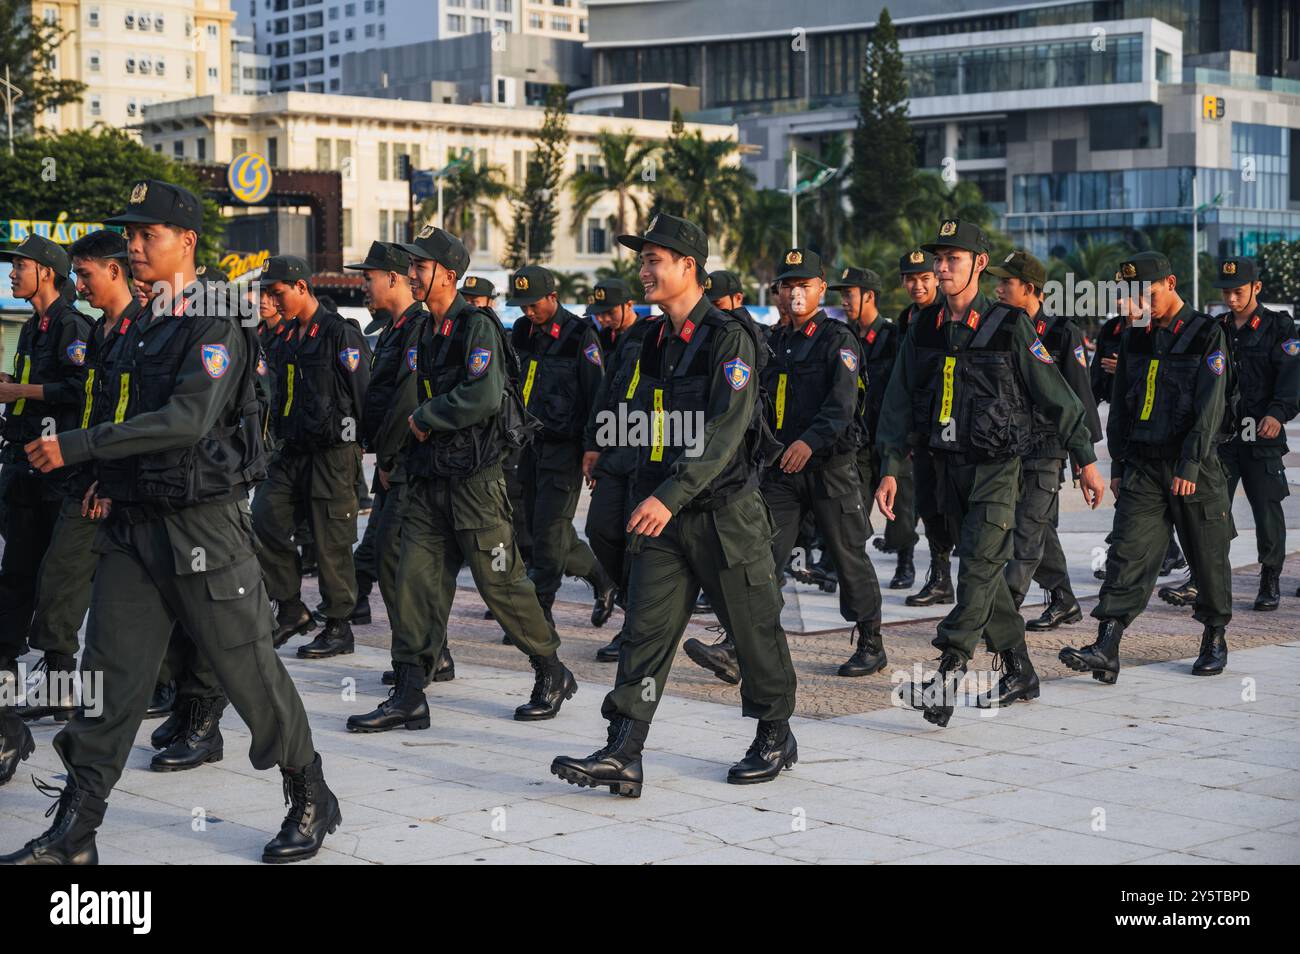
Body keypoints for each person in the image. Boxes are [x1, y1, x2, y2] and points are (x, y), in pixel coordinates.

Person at [2, 179, 339, 864]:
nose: (134, 245)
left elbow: (186, 419)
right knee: (109, 676)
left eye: (147, 234)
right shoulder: (138, 321)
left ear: (186, 240)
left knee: (248, 671)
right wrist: (101, 479)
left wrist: (79, 447)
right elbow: (121, 411)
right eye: (130, 234)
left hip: (202, 528)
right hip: (133, 525)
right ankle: (76, 831)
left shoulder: (215, 318)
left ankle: (309, 791)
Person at [551, 214, 797, 796]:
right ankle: (624, 749)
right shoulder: (651, 339)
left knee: (753, 630)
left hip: (724, 515)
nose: (644, 270)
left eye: (653, 260)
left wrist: (667, 495)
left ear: (689, 266)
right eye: (642, 260)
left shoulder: (730, 337)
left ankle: (774, 734)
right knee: (645, 632)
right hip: (664, 517)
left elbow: (724, 430)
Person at [347, 226, 577, 732]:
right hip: (428, 479)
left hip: (475, 483)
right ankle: (409, 692)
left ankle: (551, 670)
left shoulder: (476, 326)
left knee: (502, 585)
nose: (412, 274)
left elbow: (484, 395)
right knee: (413, 584)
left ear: (448, 275)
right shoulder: (424, 328)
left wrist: (426, 417)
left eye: (421, 267)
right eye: (411, 266)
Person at [876, 219, 1104, 727]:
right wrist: (890, 467)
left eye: (952, 259)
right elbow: (897, 400)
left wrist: (1085, 459)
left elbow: (1057, 394)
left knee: (977, 570)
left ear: (979, 263)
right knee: (989, 581)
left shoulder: (1009, 324)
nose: (941, 268)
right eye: (938, 259)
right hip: (944, 471)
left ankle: (946, 677)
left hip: (998, 470)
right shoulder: (924, 327)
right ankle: (1020, 671)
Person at [1059, 252, 1234, 683]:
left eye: (1147, 293)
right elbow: (1121, 404)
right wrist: (1118, 463)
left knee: (1207, 557)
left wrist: (1190, 464)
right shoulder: (1135, 334)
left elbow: (1210, 407)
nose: (1139, 303)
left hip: (1192, 468)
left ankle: (1214, 636)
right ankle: (1106, 646)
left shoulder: (1205, 333)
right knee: (1127, 553)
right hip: (1142, 466)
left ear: (1171, 283)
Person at [252, 255, 370, 657]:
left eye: (278, 293)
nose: (272, 301)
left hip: (332, 453)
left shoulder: (339, 333)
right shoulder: (284, 337)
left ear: (301, 287)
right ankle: (291, 606)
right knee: (262, 520)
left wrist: (357, 447)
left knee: (330, 542)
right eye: (267, 294)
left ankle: (338, 625)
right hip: (291, 452)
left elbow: (362, 394)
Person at [989, 250, 1101, 630]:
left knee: (1025, 532)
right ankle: (1064, 600)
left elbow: (1080, 396)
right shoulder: (1001, 328)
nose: (998, 289)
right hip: (1010, 445)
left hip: (1048, 448)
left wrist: (1085, 460)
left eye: (1006, 282)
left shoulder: (1061, 332)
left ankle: (1002, 615)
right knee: (1039, 528)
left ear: (1030, 288)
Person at [0, 236, 92, 694]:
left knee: (57, 576)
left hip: (57, 472)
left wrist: (19, 391)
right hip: (22, 462)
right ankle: (6, 661)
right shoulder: (32, 327)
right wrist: (12, 384)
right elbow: (35, 387)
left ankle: (59, 677)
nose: (12, 274)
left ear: (46, 273)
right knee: (16, 569)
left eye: (21, 266)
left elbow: (79, 389)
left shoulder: (72, 326)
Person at [508, 264, 616, 626]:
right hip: (529, 445)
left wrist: (594, 448)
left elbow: (597, 395)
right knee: (539, 528)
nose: (528, 311)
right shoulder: (521, 332)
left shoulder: (579, 335)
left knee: (549, 531)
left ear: (553, 297)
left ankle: (540, 611)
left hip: (565, 449)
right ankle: (602, 577)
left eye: (534, 304)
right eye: (523, 305)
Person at [1212, 256, 1299, 611]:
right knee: (1213, 508)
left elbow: (1291, 377)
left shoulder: (1279, 327)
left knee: (1266, 508)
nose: (1231, 299)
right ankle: (1210, 576)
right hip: (1224, 437)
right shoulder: (1216, 328)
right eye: (1226, 293)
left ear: (1256, 287)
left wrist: (1278, 414)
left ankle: (1270, 576)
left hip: (1261, 435)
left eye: (1238, 291)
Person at [830, 265, 916, 590]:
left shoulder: (893, 337)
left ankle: (905, 562)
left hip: (892, 436)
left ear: (869, 296)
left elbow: (905, 386)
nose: (845, 301)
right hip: (859, 438)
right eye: (843, 295)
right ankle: (845, 566)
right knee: (853, 503)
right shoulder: (844, 337)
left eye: (849, 294)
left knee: (901, 504)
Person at [581, 278, 645, 662]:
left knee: (637, 542)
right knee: (599, 528)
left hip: (645, 451)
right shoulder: (608, 342)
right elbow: (603, 396)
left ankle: (635, 627)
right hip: (614, 450)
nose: (604, 319)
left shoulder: (650, 335)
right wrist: (593, 445)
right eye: (599, 314)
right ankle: (623, 594)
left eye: (609, 312)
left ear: (629, 305)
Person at [895, 249, 957, 607]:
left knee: (957, 507)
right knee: (928, 504)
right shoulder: (907, 319)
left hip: (952, 425)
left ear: (936, 278)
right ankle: (940, 577)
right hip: (921, 428)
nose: (917, 285)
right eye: (910, 279)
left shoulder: (950, 313)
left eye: (924, 278)